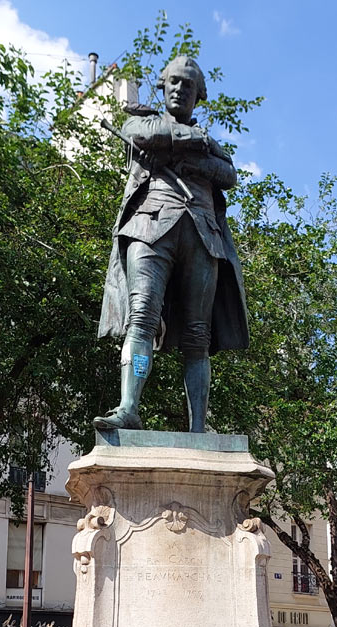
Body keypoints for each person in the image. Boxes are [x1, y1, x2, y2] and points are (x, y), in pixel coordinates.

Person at [94, 55, 249, 433]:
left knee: (198, 335)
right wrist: (193, 140)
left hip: (201, 233)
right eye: (174, 82)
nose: (180, 89)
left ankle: (199, 428)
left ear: (199, 95)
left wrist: (195, 163)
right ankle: (128, 407)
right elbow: (140, 135)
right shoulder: (145, 121)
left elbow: (228, 174)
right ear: (162, 87)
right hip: (148, 228)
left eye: (188, 85)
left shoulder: (211, 145)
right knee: (142, 317)